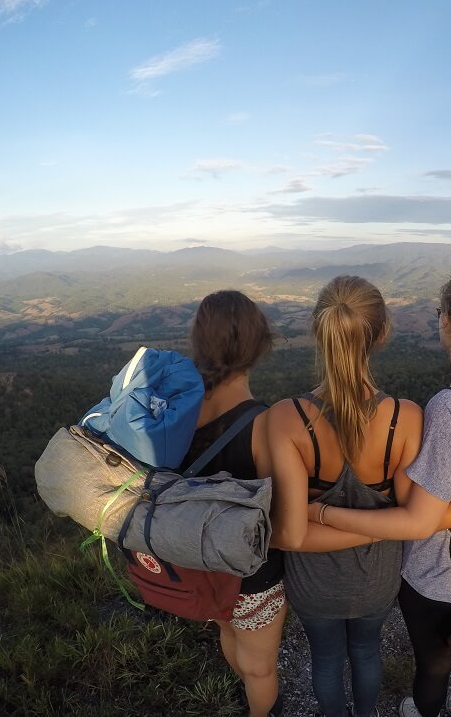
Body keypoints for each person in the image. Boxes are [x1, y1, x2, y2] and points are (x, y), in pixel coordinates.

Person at [308, 254, 451, 717]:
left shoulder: (448, 411)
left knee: (433, 665)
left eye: (438, 315)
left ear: (447, 323)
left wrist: (324, 514)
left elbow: (420, 519)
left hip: (441, 575)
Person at [266, 275, 424, 717]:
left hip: (313, 584)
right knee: (368, 652)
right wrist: (374, 532)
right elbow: (406, 514)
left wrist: (321, 511)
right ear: (382, 333)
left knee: (326, 659)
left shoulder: (286, 418)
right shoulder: (405, 418)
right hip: (377, 581)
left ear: (318, 332)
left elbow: (291, 534)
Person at [181, 290, 286, 717]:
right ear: (260, 345)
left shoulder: (177, 412)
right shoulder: (263, 422)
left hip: (199, 557)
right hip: (251, 572)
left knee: (227, 628)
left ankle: (247, 688)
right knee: (262, 669)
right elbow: (276, 507)